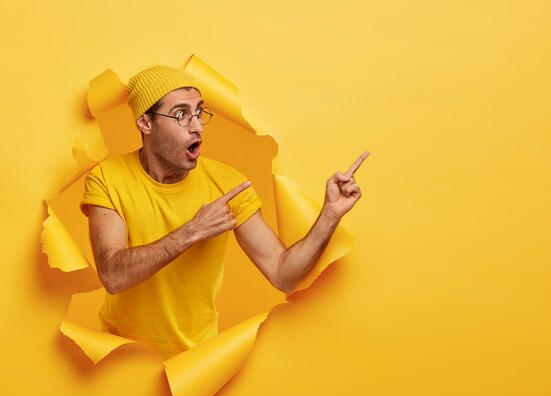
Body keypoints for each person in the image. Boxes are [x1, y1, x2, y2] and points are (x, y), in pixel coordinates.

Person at [81, 65, 368, 360]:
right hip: (121, 360)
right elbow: (113, 275)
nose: (197, 127)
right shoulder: (107, 178)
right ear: (145, 123)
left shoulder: (228, 184)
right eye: (181, 114)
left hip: (198, 362)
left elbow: (283, 274)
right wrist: (191, 231)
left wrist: (330, 214)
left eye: (199, 112)